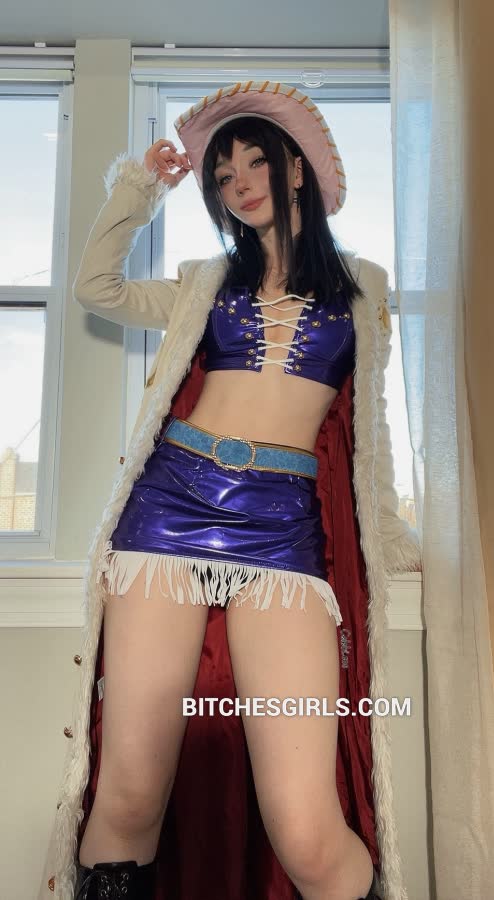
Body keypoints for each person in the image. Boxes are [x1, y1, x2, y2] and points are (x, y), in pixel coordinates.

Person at [38, 82, 421, 900]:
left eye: (254, 161)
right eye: (222, 175)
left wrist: (393, 540)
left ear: (294, 168)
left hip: (283, 531)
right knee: (130, 794)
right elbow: (96, 288)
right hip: (168, 513)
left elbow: (371, 432)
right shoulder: (204, 281)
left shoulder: (363, 286)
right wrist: (140, 187)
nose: (239, 182)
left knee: (307, 831)